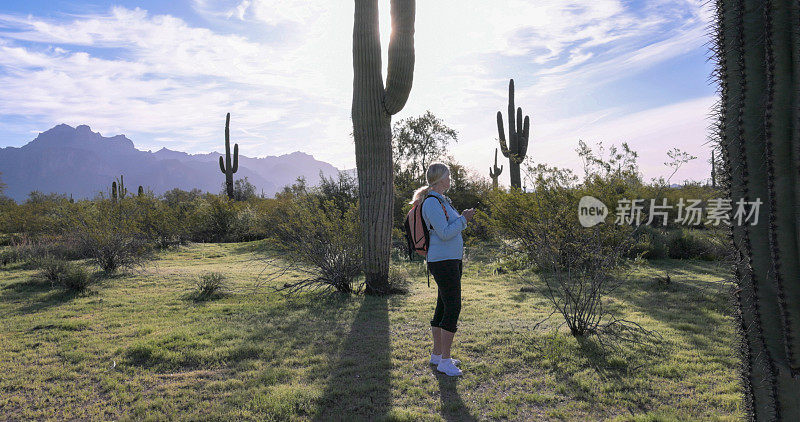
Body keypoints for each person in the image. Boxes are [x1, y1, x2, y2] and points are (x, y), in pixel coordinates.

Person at [409, 162, 475, 376]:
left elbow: (446, 230)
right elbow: (445, 233)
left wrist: (461, 218)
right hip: (443, 260)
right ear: (439, 179)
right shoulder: (432, 203)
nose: (450, 179)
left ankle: (437, 355)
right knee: (453, 306)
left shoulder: (441, 200)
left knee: (443, 306)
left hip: (449, 259)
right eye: (448, 176)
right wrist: (464, 219)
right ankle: (445, 361)